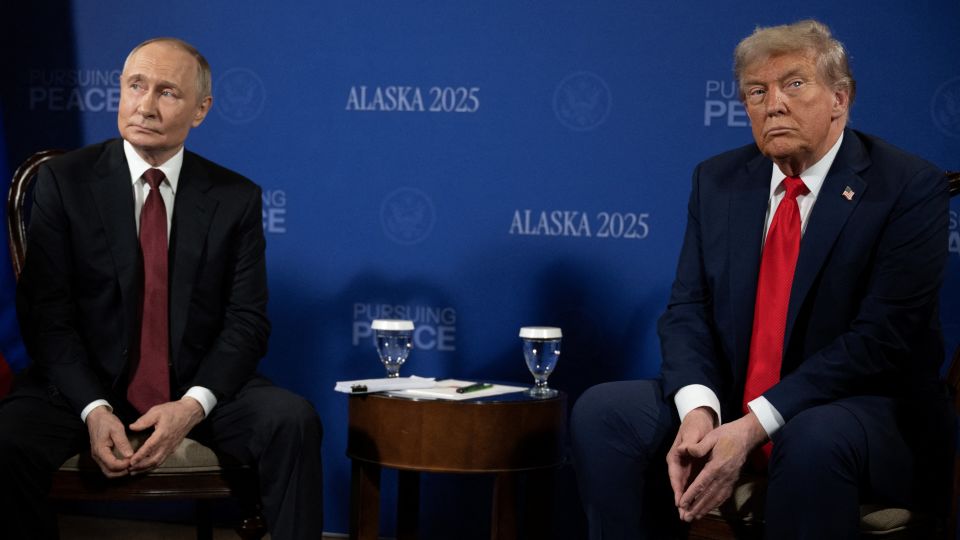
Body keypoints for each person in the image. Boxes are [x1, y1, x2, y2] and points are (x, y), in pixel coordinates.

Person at [571, 19, 953, 539]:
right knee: (605, 412)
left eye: (794, 84)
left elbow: (881, 341)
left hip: (865, 414)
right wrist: (700, 410)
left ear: (841, 97)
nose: (773, 103)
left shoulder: (906, 187)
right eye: (757, 91)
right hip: (736, 398)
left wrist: (755, 426)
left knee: (810, 435)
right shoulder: (719, 181)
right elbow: (687, 309)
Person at [0, 37, 324, 539]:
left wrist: (192, 405)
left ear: (200, 110)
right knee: (8, 437)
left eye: (168, 93)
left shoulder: (234, 198)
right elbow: (47, 317)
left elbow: (247, 322)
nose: (146, 106)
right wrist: (93, 407)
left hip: (192, 386)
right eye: (136, 86)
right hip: (82, 389)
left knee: (291, 419)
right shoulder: (64, 182)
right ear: (120, 92)